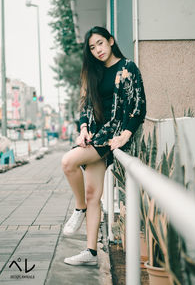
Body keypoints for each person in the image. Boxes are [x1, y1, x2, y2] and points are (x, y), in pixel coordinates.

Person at [62, 26, 146, 266]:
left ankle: (78, 210)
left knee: (68, 161)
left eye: (100, 43)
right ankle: (90, 252)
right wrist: (84, 129)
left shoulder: (127, 67)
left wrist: (125, 135)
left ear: (110, 41)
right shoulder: (95, 72)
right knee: (92, 195)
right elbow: (86, 106)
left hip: (112, 137)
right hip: (96, 137)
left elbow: (139, 107)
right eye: (92, 47)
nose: (97, 50)